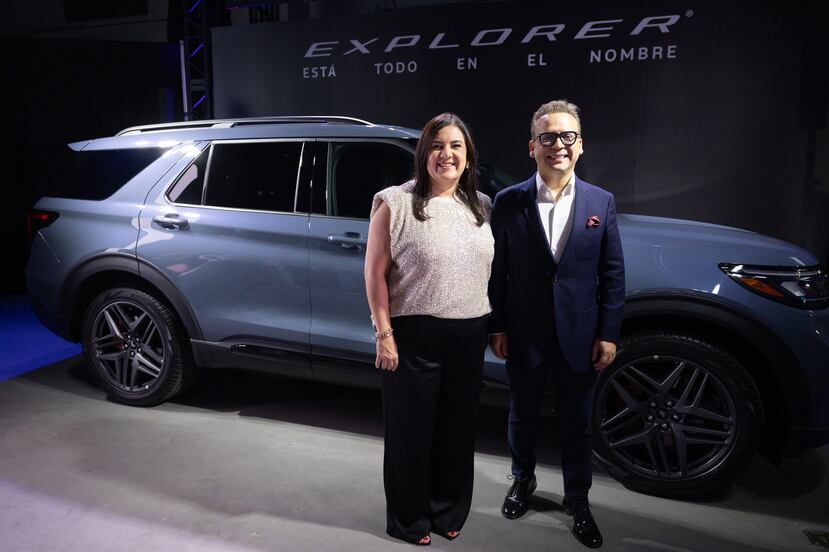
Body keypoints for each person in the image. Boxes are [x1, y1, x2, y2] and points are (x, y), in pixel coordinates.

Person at [488, 100, 625, 549]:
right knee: (521, 416)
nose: (558, 145)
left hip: (581, 337)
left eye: (567, 137)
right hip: (524, 335)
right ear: (533, 147)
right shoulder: (508, 204)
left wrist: (607, 333)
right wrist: (498, 326)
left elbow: (612, 274)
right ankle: (522, 480)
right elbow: (498, 272)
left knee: (577, 424)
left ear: (580, 146)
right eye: (548, 137)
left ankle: (578, 501)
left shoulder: (600, 202)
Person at [364, 113, 494, 546]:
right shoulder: (394, 202)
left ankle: (448, 511)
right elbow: (374, 274)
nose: (447, 154)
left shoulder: (481, 204)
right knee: (409, 435)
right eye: (438, 145)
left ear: (468, 156)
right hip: (412, 337)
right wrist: (384, 333)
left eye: (456, 146)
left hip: (470, 334)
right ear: (424, 153)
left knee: (456, 433)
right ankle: (408, 520)